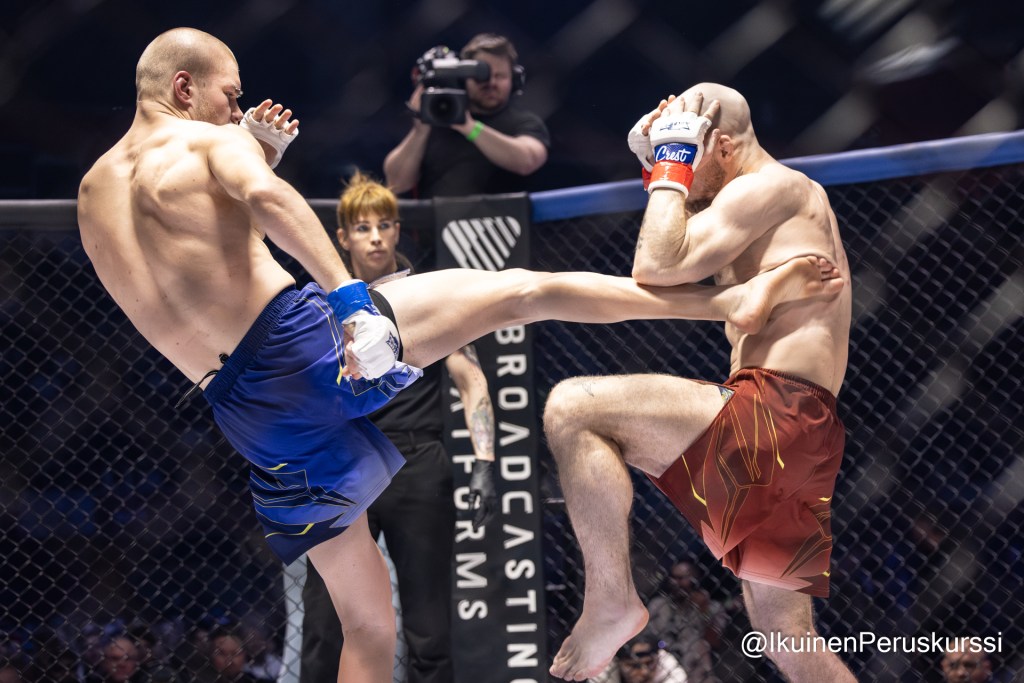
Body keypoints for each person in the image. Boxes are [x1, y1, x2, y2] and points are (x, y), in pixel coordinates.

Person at [78, 30, 841, 682]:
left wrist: (255, 157)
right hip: (302, 345)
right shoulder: (210, 141)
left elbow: (199, 268)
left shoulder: (92, 194)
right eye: (229, 95)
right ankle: (724, 305)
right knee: (522, 291)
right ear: (184, 87)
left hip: (249, 413)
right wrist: (348, 299)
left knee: (366, 622)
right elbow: (270, 206)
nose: (236, 111)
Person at [544, 83, 855, 682]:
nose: (681, 166)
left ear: (726, 146)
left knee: (572, 407)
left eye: (690, 150)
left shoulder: (772, 187)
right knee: (788, 641)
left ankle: (611, 599)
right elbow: (672, 253)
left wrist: (670, 165)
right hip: (799, 433)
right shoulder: (761, 200)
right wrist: (655, 165)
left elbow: (655, 264)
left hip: (774, 410)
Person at [299, 172, 497, 682]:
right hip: (346, 466)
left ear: (397, 231)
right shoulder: (321, 304)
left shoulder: (424, 296)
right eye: (363, 228)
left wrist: (484, 463)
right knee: (325, 617)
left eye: (384, 225)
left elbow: (471, 378)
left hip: (416, 461)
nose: (375, 237)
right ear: (343, 237)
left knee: (430, 621)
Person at [383, 33, 549, 197]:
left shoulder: (524, 123)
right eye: (481, 76)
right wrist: (419, 132)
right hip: (439, 214)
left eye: (500, 76)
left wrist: (470, 127)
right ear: (464, 79)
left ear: (514, 80)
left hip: (505, 214)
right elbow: (396, 183)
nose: (491, 83)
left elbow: (527, 161)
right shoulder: (435, 124)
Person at [646, 561, 725, 683]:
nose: (675, 583)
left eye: (681, 578)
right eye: (673, 577)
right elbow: (645, 640)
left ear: (695, 581)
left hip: (697, 671)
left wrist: (704, 610)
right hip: (664, 668)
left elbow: (715, 643)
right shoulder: (658, 605)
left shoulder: (711, 607)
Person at [589, 630, 687, 683]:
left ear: (658, 657)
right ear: (617, 661)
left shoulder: (668, 665)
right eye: (633, 665)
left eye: (649, 663)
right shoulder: (606, 666)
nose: (644, 671)